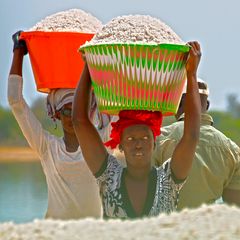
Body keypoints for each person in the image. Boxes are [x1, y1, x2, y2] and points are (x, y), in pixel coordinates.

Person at [72, 41, 202, 219]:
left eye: (145, 138)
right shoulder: (109, 176)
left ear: (154, 142)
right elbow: (79, 122)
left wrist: (191, 75)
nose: (138, 144)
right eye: (131, 139)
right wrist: (89, 65)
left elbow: (191, 136)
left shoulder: (169, 180)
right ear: (121, 145)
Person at [8, 30, 111, 220]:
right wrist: (18, 51)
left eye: (77, 111)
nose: (72, 118)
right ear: (56, 114)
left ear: (88, 112)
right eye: (66, 111)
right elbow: (15, 101)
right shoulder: (47, 147)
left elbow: (119, 99)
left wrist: (103, 60)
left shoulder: (101, 143)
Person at [152, 78, 240, 210]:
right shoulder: (232, 149)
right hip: (208, 227)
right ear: (207, 106)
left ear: (177, 103)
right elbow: (234, 208)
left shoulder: (157, 139)